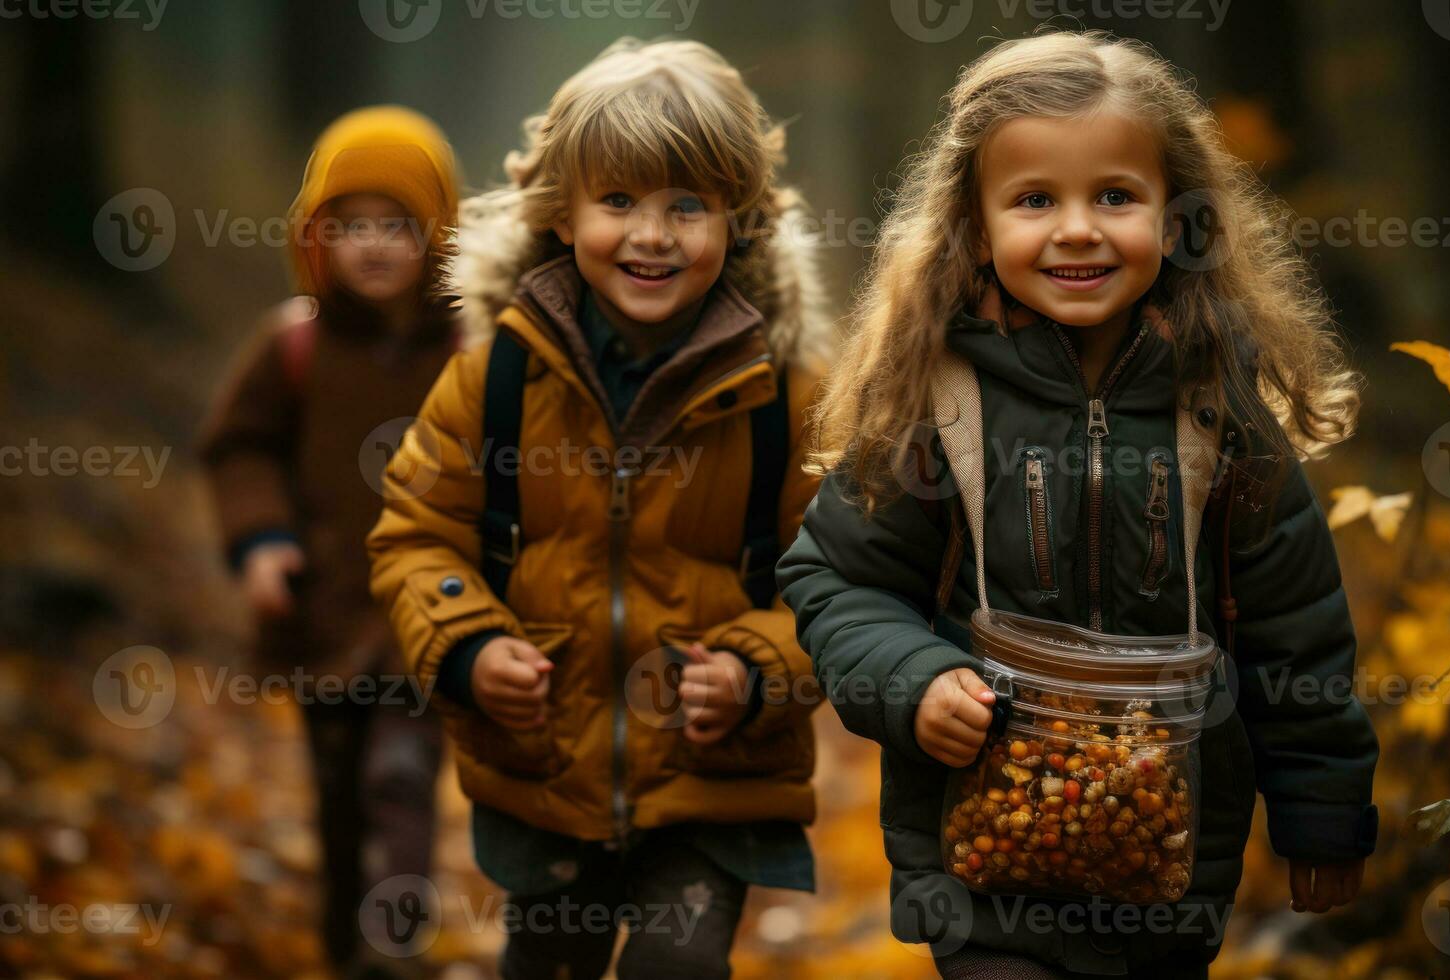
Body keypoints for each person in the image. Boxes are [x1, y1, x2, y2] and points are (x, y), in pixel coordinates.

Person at [775, 29, 1379, 978]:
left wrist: (1324, 814)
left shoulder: (1219, 410)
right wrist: (913, 680)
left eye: (1114, 196)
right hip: (978, 865)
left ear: (1178, 218)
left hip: (1170, 867)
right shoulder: (936, 401)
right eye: (1033, 200)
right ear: (974, 226)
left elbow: (1293, 634)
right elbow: (837, 576)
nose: (1077, 228)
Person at [366, 38, 831, 979]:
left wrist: (757, 669)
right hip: (546, 770)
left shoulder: (787, 399)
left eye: (686, 206)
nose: (651, 236)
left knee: (678, 965)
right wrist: (466, 641)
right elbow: (418, 534)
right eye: (618, 201)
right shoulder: (494, 377)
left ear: (737, 221)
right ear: (562, 211)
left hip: (713, 778)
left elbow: (844, 580)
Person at [197, 105, 461, 977]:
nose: (374, 245)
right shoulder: (294, 347)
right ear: (316, 236)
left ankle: (395, 944)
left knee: (401, 773)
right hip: (326, 613)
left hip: (432, 615)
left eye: (398, 225)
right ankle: (344, 946)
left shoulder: (471, 349)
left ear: (441, 235)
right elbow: (241, 447)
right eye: (350, 226)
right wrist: (263, 540)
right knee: (339, 790)